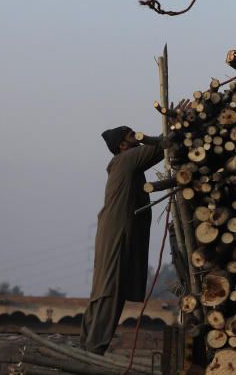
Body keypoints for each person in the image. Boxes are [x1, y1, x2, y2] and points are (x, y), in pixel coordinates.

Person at [80, 118, 179, 354]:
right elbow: (159, 148)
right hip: (116, 231)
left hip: (115, 230)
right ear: (122, 145)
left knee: (109, 289)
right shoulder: (125, 161)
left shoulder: (126, 164)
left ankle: (88, 347)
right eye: (132, 136)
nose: (137, 139)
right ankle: (93, 349)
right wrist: (175, 124)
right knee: (109, 290)